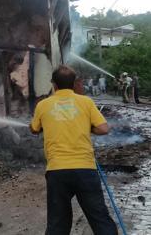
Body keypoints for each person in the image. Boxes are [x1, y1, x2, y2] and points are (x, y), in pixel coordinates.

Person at [30, 65, 117, 235]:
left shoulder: (43, 105)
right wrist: (87, 127)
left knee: (57, 224)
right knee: (100, 219)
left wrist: (36, 126)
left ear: (54, 84)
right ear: (73, 83)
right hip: (85, 170)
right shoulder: (86, 102)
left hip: (57, 171)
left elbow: (34, 129)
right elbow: (103, 129)